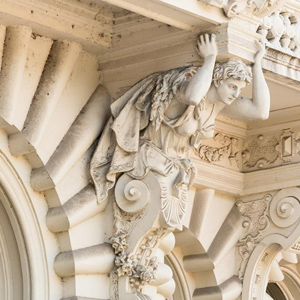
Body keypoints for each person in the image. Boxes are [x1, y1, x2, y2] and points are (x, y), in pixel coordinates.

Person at [90, 33, 270, 207]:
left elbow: (260, 112)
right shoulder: (184, 88)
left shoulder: (221, 103)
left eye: (239, 89)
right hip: (148, 166)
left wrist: (257, 65)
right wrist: (210, 59)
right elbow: (193, 96)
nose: (236, 94)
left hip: (174, 173)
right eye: (232, 86)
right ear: (216, 80)